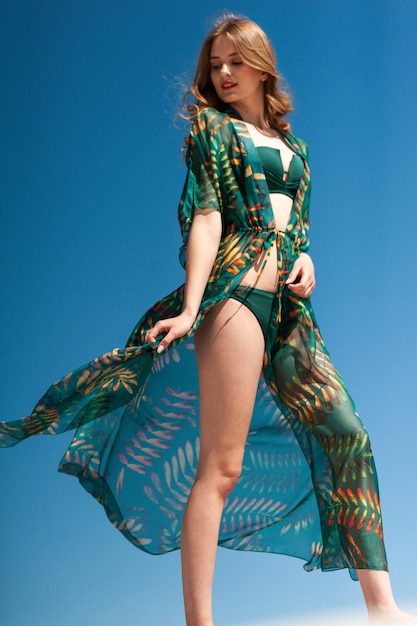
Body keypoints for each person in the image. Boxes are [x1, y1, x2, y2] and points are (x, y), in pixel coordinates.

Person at [1, 14, 415, 626]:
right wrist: (194, 306)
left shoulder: (296, 149)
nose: (222, 73)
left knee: (347, 433)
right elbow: (206, 218)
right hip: (235, 299)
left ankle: (383, 610)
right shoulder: (212, 132)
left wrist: (304, 257)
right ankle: (201, 622)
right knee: (221, 466)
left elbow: (293, 224)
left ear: (261, 65)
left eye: (233, 62)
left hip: (291, 313)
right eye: (214, 64)